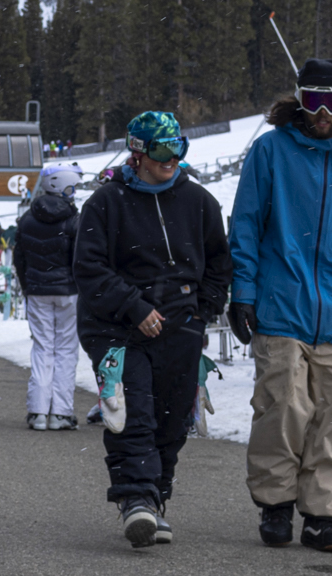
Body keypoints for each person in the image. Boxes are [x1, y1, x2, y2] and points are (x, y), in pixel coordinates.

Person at [227, 57, 332, 555]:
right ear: (299, 99)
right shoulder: (271, 152)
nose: (323, 113)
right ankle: (276, 504)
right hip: (282, 305)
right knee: (283, 408)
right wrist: (243, 293)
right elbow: (246, 226)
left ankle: (324, 515)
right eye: (313, 100)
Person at [76, 111, 232, 548]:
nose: (172, 159)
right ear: (139, 152)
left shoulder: (200, 203)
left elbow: (220, 263)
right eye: (163, 150)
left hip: (181, 323)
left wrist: (203, 310)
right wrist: (132, 305)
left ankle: (155, 496)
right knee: (135, 412)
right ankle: (135, 500)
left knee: (173, 417)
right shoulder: (105, 203)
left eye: (178, 148)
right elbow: (88, 269)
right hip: (118, 328)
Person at [16, 162, 83, 428]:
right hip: (69, 292)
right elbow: (81, 258)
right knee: (66, 350)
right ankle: (61, 413)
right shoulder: (74, 220)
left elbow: (19, 258)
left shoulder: (27, 219)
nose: (75, 191)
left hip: (37, 291)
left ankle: (38, 412)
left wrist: (27, 286)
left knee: (42, 347)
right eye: (73, 187)